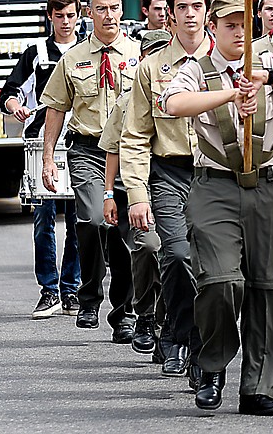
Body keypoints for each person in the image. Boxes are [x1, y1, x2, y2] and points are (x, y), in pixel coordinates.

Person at [159, 0, 273, 416]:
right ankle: (211, 365)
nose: (236, 32)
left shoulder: (268, 64)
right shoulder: (197, 69)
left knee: (269, 287)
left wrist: (267, 78)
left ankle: (258, 387)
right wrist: (229, 95)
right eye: (227, 24)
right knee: (219, 279)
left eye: (242, 24)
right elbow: (173, 103)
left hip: (265, 185)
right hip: (215, 186)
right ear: (212, 27)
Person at [121, 0, 213, 384]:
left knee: (213, 268)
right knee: (176, 255)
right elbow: (136, 135)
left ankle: (188, 338)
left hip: (217, 176)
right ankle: (180, 338)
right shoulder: (150, 68)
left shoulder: (226, 63)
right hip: (170, 173)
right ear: (169, 17)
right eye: (181, 8)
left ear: (207, 13)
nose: (190, 14)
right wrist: (136, 194)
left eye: (197, 6)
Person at [41, 0, 140, 341]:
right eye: (101, 8)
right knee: (94, 219)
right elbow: (55, 109)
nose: (109, 15)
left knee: (126, 233)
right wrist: (48, 159)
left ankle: (124, 313)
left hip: (128, 154)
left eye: (115, 7)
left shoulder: (139, 56)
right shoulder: (73, 59)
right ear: (89, 12)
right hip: (88, 150)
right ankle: (88, 295)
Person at [0, 0, 83, 319]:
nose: (65, 22)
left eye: (71, 15)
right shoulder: (35, 52)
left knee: (79, 220)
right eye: (59, 16)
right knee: (43, 219)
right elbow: (8, 91)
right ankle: (49, 290)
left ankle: (72, 289)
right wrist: (15, 105)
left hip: (79, 142)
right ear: (49, 17)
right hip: (40, 143)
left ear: (79, 16)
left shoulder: (88, 50)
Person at [101, 30, 169, 353]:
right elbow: (114, 148)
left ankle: (170, 326)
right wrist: (108, 193)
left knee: (179, 257)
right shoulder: (126, 101)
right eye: (151, 54)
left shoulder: (186, 91)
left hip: (177, 183)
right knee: (147, 247)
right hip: (140, 187)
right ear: (142, 59)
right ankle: (144, 314)